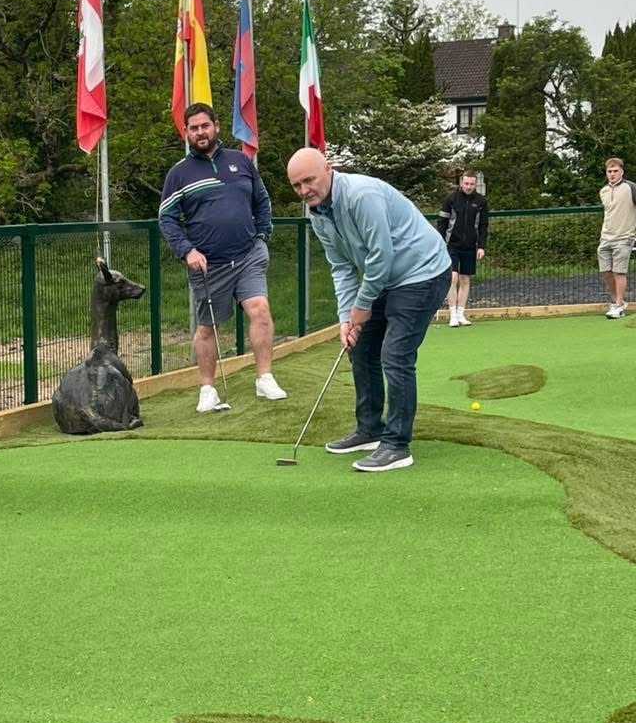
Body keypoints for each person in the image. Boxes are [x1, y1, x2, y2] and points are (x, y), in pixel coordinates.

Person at [285, 147, 451, 472]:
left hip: (423, 272)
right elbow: (341, 267)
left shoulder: (361, 196)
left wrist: (361, 306)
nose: (304, 190)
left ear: (328, 169)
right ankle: (370, 429)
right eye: (296, 185)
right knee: (359, 346)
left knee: (396, 354)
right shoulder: (317, 213)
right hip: (387, 277)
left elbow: (380, 255)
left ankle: (397, 445)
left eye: (309, 180)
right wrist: (345, 318)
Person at [159, 102, 286, 411]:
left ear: (216, 126)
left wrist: (262, 236)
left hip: (248, 255)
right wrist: (187, 250)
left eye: (205, 126)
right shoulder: (179, 174)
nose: (200, 132)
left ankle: (265, 378)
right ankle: (207, 389)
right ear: (186, 133)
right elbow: (167, 218)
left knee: (259, 309)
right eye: (194, 128)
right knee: (208, 327)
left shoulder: (240, 161)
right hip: (208, 264)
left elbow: (262, 201)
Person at [437, 170, 488, 326]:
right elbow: (442, 223)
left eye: (472, 184)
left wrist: (481, 246)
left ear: (475, 184)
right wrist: (440, 243)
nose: (469, 186)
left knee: (465, 279)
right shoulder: (451, 199)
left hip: (470, 246)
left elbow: (483, 225)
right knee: (452, 277)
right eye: (466, 183)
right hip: (451, 245)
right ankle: (452, 314)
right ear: (461, 182)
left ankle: (461, 314)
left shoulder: (481, 201)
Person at [597, 157, 636, 318]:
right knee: (605, 271)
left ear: (622, 172)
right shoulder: (603, 191)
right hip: (606, 237)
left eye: (615, 171)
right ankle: (617, 301)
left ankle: (618, 306)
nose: (612, 174)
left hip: (625, 237)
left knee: (619, 272)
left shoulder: (631, 188)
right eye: (609, 171)